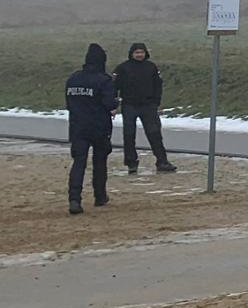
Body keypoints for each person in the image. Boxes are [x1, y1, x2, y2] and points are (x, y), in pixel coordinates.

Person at [65, 44, 118, 215]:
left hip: (78, 127)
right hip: (99, 127)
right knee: (99, 162)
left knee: (79, 163)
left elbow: (68, 104)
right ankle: (100, 196)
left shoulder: (73, 79)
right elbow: (109, 104)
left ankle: (74, 199)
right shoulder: (104, 80)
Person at [112, 42, 174, 174]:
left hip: (148, 105)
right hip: (129, 105)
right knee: (129, 135)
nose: (139, 55)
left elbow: (158, 85)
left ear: (145, 53)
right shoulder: (122, 68)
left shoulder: (151, 67)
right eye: (137, 52)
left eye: (141, 52)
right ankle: (131, 163)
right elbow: (113, 87)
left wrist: (156, 102)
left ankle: (162, 161)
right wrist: (114, 105)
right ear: (131, 54)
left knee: (154, 133)